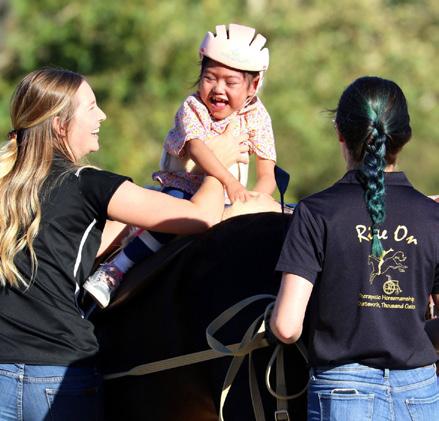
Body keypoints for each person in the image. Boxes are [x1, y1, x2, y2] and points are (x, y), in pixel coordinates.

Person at [0, 67, 246, 420]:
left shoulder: (7, 182)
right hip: (58, 373)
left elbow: (71, 247)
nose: (102, 115)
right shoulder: (88, 184)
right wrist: (216, 166)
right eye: (91, 107)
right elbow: (201, 217)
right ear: (59, 125)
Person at [270, 76, 439, 420]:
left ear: (340, 133)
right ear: (404, 136)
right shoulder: (433, 216)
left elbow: (286, 328)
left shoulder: (316, 213)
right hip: (420, 393)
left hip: (342, 393)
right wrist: (410, 334)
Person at [84, 23, 278, 308]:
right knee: (173, 216)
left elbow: (267, 172)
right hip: (183, 188)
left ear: (254, 84)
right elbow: (199, 150)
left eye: (230, 82)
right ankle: (116, 268)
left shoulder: (258, 117)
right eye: (210, 78)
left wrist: (254, 200)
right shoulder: (193, 108)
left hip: (226, 201)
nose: (218, 89)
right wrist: (231, 182)